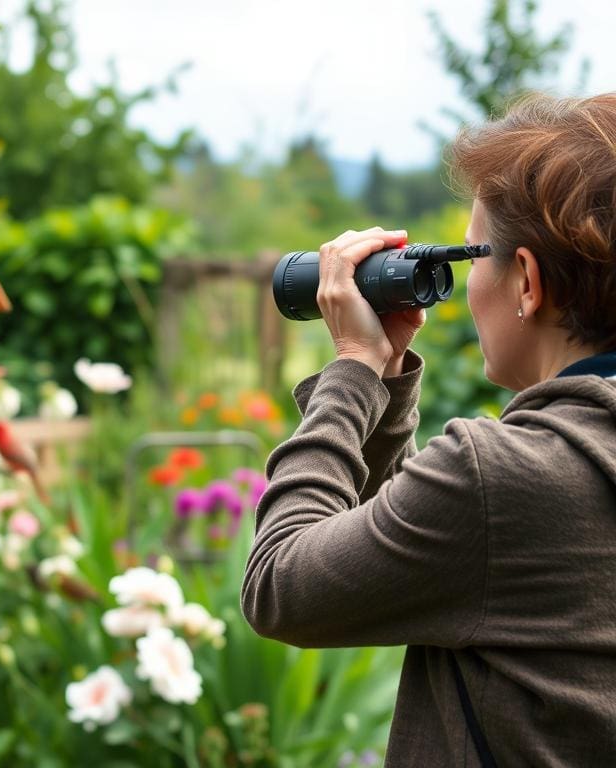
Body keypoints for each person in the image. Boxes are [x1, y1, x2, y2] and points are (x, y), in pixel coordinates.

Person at [240, 91, 616, 768]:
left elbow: (279, 585)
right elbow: (425, 556)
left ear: (526, 282)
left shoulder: (507, 476)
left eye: (478, 262)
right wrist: (384, 378)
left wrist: (353, 369)